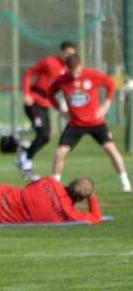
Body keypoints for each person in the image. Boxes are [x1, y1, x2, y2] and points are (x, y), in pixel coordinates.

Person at [47, 55, 131, 193]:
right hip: (75, 123)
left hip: (96, 122)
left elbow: (110, 83)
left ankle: (125, 182)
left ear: (81, 65)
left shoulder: (92, 74)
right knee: (59, 152)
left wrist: (106, 105)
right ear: (68, 69)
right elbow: (50, 94)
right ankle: (54, 186)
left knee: (111, 149)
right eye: (73, 72)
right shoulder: (62, 80)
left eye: (78, 71)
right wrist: (61, 111)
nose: (76, 75)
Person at [18, 41, 76, 179]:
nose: (69, 57)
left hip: (45, 103)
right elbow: (28, 73)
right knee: (42, 134)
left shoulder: (68, 69)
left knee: (45, 137)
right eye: (67, 54)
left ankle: (24, 153)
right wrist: (26, 93)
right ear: (61, 52)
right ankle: (25, 164)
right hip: (34, 100)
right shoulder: (49, 62)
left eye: (72, 55)